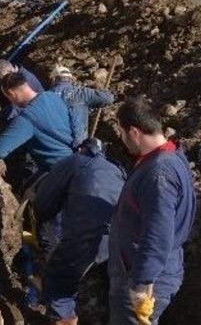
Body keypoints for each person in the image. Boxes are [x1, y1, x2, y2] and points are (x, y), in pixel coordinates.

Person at [108, 97, 197, 325]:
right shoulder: (165, 156)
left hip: (147, 277)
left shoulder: (159, 174)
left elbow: (157, 234)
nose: (121, 138)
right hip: (145, 266)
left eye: (122, 132)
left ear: (135, 132)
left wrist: (142, 283)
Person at [33, 138, 126, 325]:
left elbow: (44, 204)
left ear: (82, 149)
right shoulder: (118, 170)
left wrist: (43, 225)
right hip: (120, 241)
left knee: (57, 281)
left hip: (87, 239)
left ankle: (66, 318)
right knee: (105, 288)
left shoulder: (74, 161)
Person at [0, 72, 74, 175]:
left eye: (8, 98)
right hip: (76, 159)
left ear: (12, 94)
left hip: (58, 171)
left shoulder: (27, 118)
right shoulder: (52, 96)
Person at [50, 66, 115, 148]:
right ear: (70, 78)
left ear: (53, 79)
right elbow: (107, 98)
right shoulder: (80, 93)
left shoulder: (43, 97)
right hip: (78, 146)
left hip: (53, 147)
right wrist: (99, 86)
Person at [0, 59, 45, 125]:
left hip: (37, 119)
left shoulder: (26, 81)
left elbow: (16, 109)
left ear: (10, 71)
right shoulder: (8, 78)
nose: (1, 82)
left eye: (1, 79)